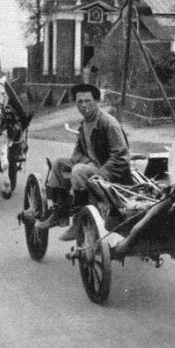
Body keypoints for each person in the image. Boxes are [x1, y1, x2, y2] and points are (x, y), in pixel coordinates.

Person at [34, 83, 131, 241]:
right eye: (80, 102)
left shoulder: (108, 123)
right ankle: (59, 213)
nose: (84, 105)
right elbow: (78, 152)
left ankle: (77, 221)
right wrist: (85, 162)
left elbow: (121, 155)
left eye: (88, 101)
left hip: (111, 174)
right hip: (93, 166)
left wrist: (101, 173)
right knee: (58, 163)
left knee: (78, 171)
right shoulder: (85, 123)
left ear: (96, 102)